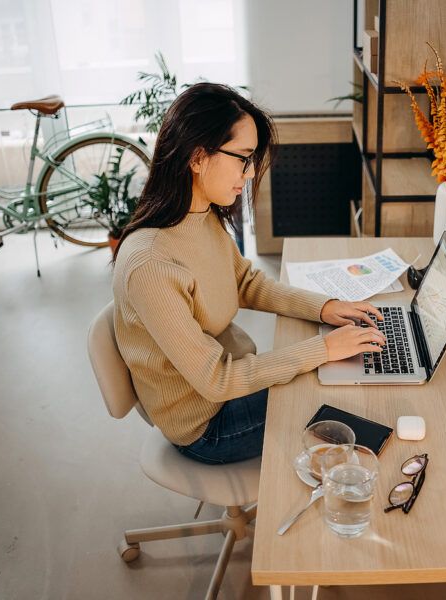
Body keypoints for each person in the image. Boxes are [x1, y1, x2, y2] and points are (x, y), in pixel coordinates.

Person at [112, 83, 386, 465]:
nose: (251, 171)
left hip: (231, 386)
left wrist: (326, 308)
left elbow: (245, 282)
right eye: (243, 158)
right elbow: (216, 380)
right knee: (348, 396)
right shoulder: (151, 265)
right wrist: (323, 348)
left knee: (343, 374)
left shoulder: (199, 214)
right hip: (209, 424)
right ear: (197, 157)